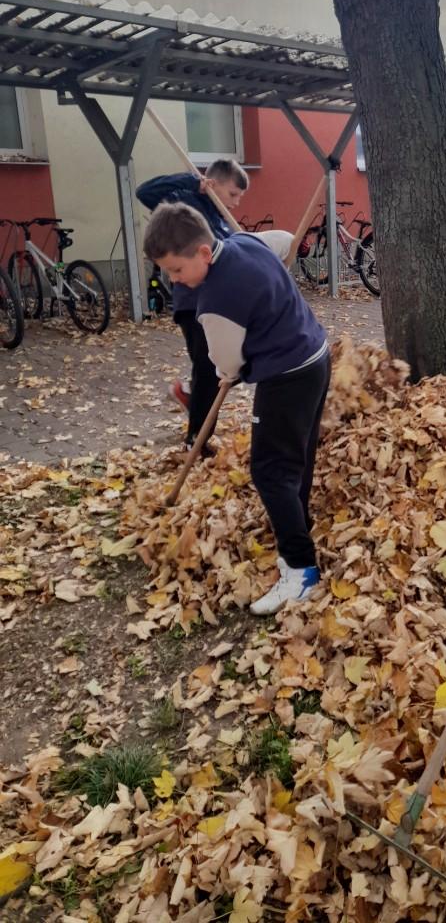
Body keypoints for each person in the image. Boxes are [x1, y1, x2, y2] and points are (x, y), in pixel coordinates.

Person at [143, 202, 330, 616]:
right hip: (316, 356)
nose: (175, 280)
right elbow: (283, 241)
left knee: (269, 470)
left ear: (202, 253)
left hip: (287, 375)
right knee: (295, 458)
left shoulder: (214, 301)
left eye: (176, 270)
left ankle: (300, 569)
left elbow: (227, 363)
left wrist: (228, 371)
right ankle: (297, 524)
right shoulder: (243, 241)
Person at [137, 161, 247, 450]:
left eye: (239, 197)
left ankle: (190, 392)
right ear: (213, 183)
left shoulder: (221, 220)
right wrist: (191, 181)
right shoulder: (186, 205)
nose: (236, 202)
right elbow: (145, 192)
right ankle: (196, 441)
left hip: (220, 304)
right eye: (233, 194)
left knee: (237, 363)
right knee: (210, 371)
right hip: (194, 304)